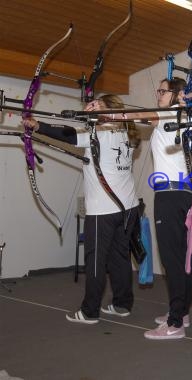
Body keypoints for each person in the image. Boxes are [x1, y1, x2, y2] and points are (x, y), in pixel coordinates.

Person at [23, 94, 139, 324]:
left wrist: (37, 126)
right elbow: (84, 133)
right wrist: (91, 115)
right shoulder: (128, 135)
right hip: (129, 207)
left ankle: (89, 311)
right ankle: (122, 304)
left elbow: (67, 134)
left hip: (103, 210)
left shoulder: (100, 135)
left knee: (95, 260)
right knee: (120, 259)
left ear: (109, 113)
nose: (94, 109)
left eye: (99, 107)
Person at [125, 77, 192, 340]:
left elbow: (143, 115)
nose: (158, 93)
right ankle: (181, 312)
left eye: (162, 90)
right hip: (184, 194)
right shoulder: (184, 117)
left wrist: (111, 113)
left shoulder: (170, 113)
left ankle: (175, 323)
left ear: (176, 94)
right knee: (184, 257)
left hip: (169, 195)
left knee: (173, 260)